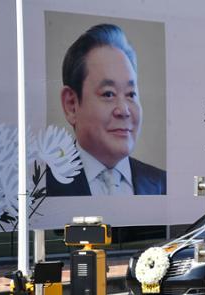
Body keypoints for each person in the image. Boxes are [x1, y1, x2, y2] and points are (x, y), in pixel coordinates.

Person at [47, 23, 166, 196]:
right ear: (71, 105)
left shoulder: (162, 184)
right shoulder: (39, 189)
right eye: (109, 94)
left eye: (131, 94)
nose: (124, 110)